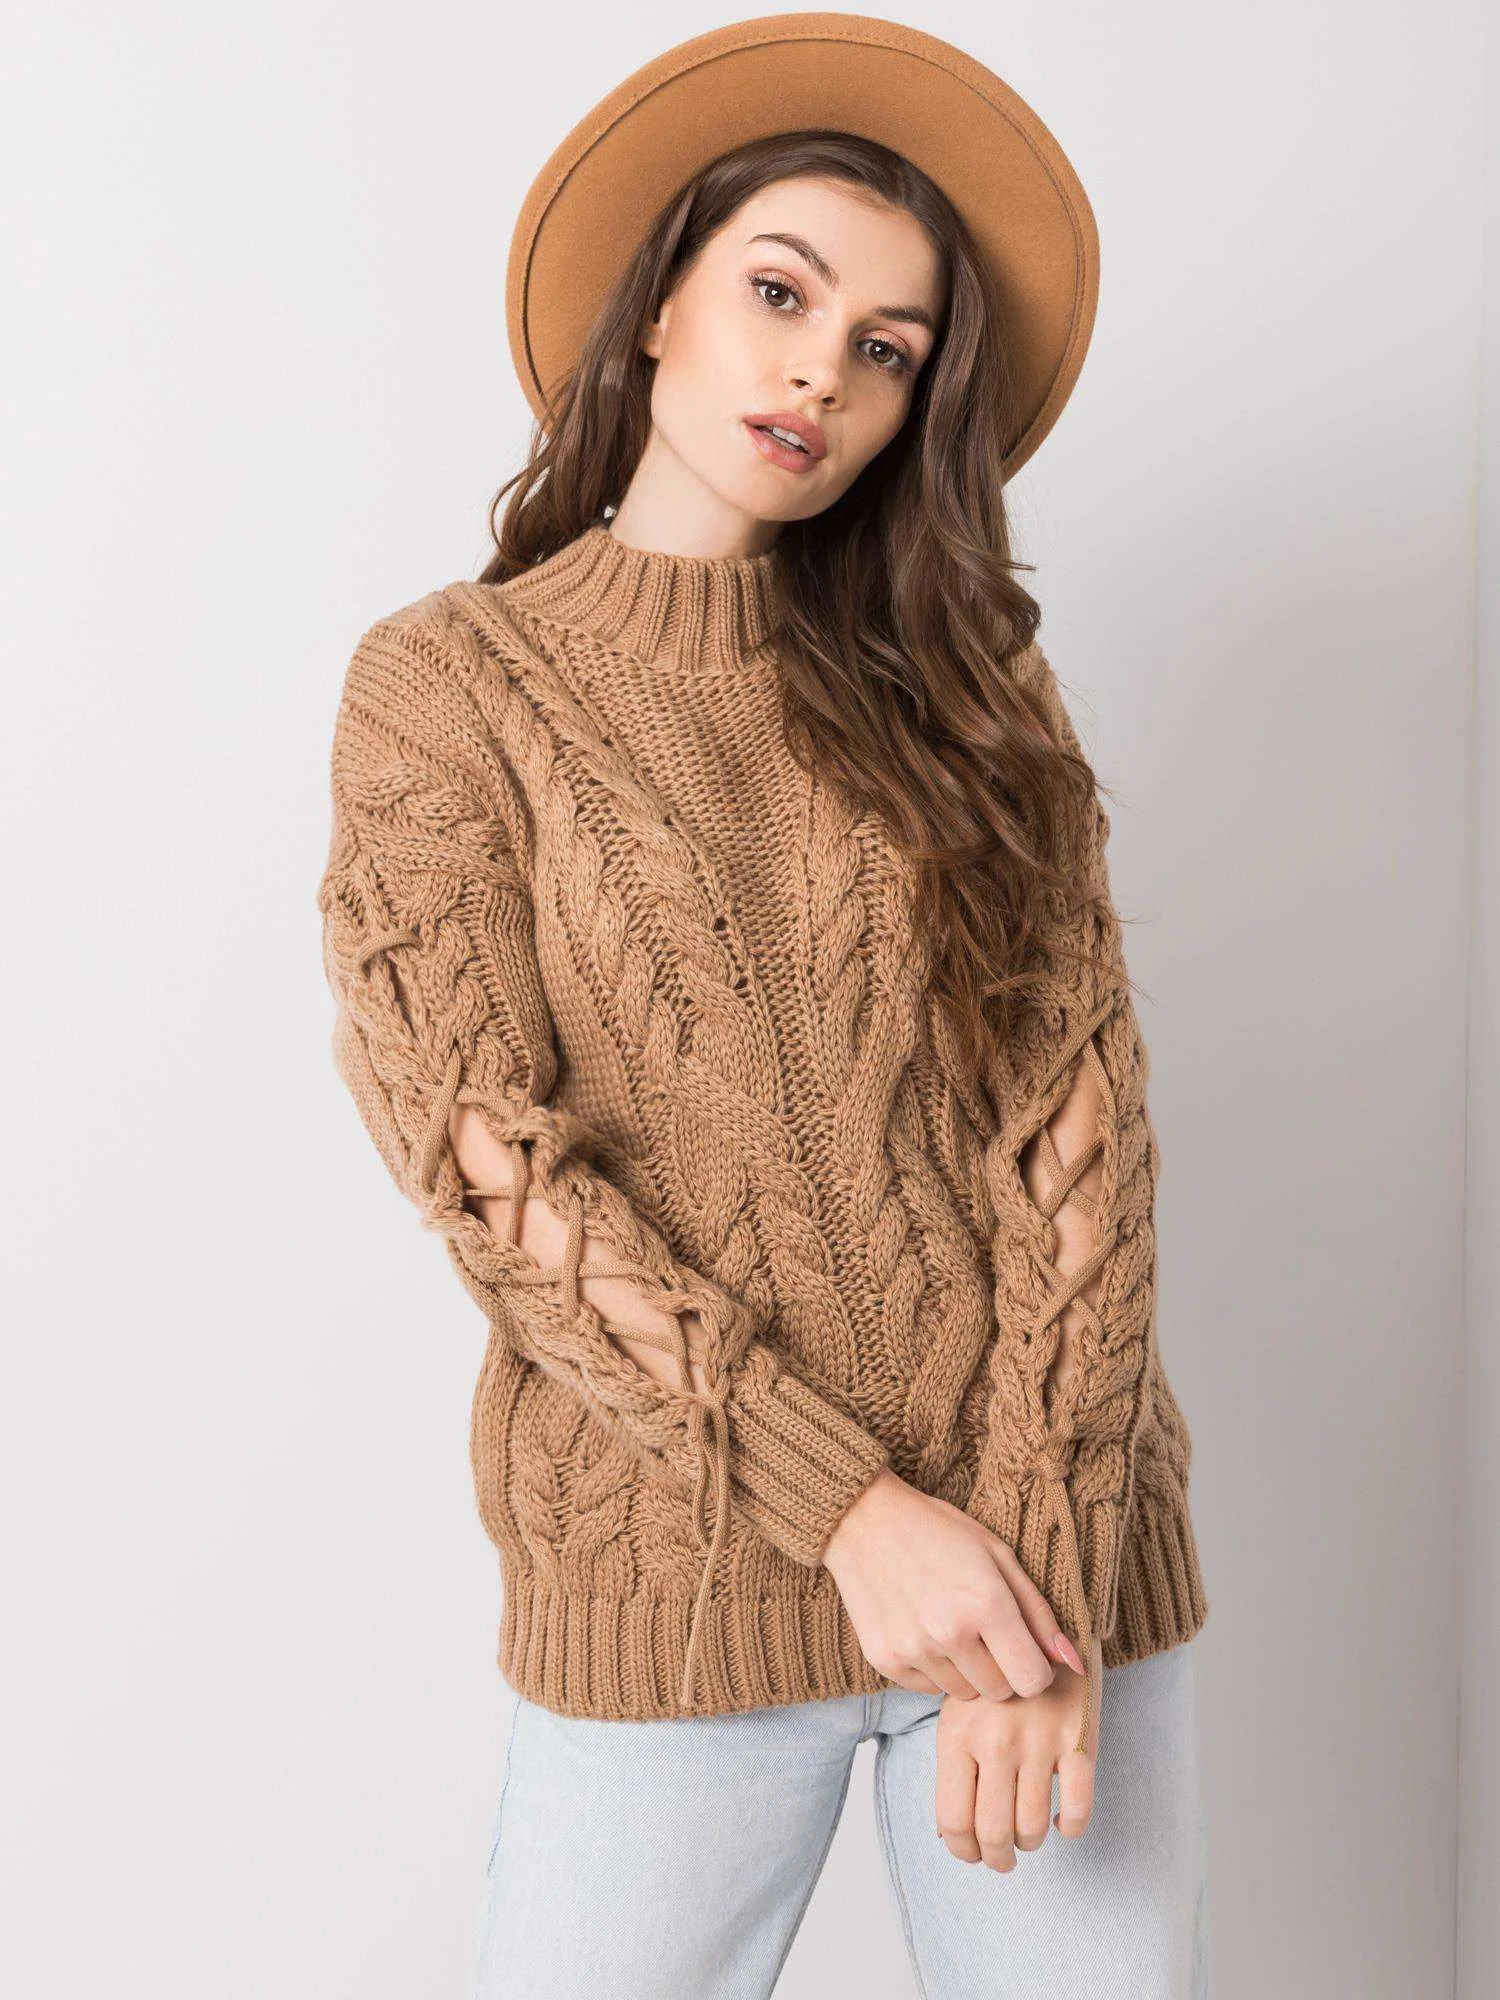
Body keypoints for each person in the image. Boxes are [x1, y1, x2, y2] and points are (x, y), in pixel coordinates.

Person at [315, 16, 1211, 1997]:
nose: (820, 371)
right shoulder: (446, 689)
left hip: (1047, 1587)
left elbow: (1079, 1132)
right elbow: (490, 1168)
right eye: (780, 294)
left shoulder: (970, 686)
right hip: (678, 1585)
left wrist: (1036, 1566)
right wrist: (856, 1512)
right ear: (659, 308)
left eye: (887, 347)